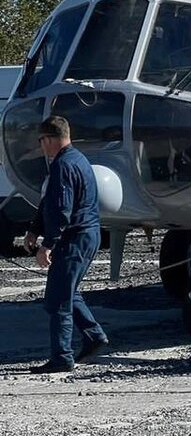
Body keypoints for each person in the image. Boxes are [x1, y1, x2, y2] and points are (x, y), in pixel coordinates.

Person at [22, 116, 108, 373]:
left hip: (75, 238)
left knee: (57, 299)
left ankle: (62, 357)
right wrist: (35, 229)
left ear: (49, 139)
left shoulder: (63, 166)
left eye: (41, 141)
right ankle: (94, 336)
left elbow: (61, 209)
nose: (41, 147)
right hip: (85, 235)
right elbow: (51, 202)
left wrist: (47, 244)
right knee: (69, 291)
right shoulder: (77, 160)